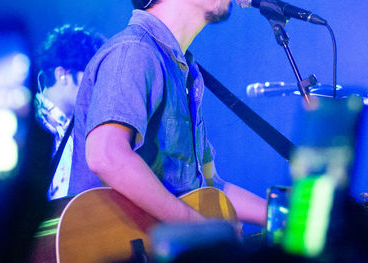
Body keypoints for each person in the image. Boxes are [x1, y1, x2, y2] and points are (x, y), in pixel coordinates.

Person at [69, 0, 267, 226]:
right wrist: (197, 228)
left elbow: (209, 186)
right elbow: (107, 156)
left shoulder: (182, 69)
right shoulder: (135, 51)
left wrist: (282, 218)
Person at [35, 24, 105, 200]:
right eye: (89, 76)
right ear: (62, 74)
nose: (96, 85)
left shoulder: (81, 125)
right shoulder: (32, 122)